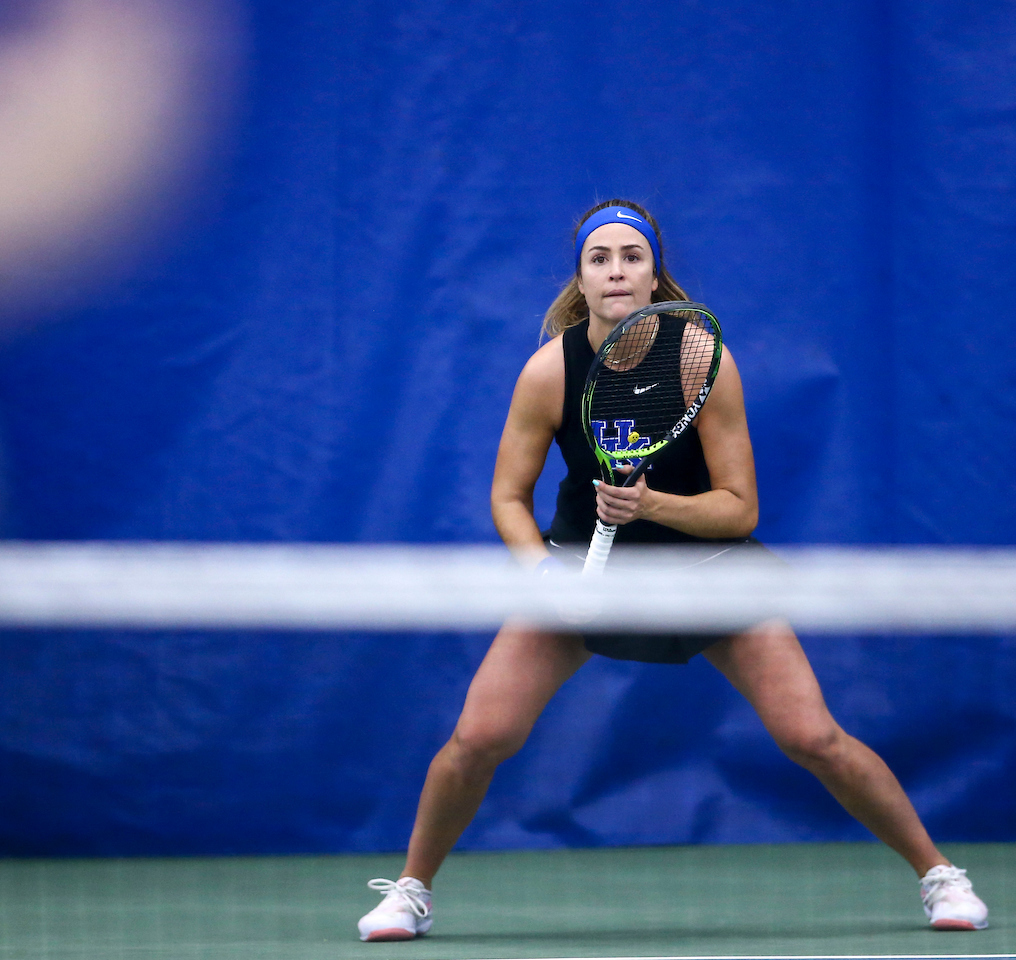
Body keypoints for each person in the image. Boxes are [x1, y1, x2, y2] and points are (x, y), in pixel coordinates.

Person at [356, 199, 989, 941]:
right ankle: (410, 891)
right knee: (478, 737)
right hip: (584, 578)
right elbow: (506, 496)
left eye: (631, 256)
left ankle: (939, 874)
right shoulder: (548, 373)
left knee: (811, 737)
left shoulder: (703, 363)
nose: (616, 270)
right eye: (600, 258)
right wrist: (541, 576)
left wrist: (651, 504)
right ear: (581, 277)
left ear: (655, 275)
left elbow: (740, 509)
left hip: (708, 572)